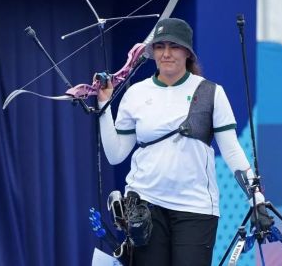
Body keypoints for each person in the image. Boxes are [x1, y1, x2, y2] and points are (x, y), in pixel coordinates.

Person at [97, 18, 271, 266]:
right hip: (146, 205)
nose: (166, 54)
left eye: (174, 46)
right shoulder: (136, 93)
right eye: (160, 47)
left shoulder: (211, 92)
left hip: (195, 208)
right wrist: (104, 105)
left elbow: (232, 151)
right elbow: (115, 155)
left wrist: (256, 198)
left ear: (187, 52)